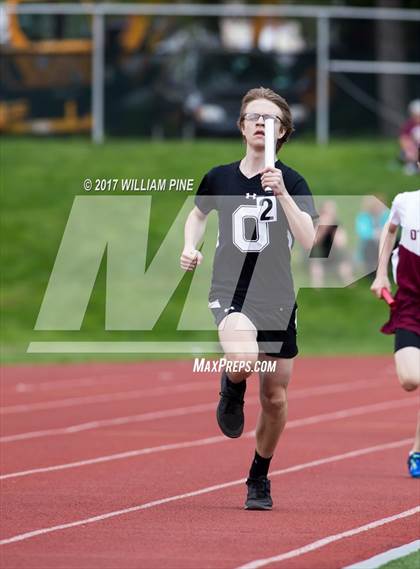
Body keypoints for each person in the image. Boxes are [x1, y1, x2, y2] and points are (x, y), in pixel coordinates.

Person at [180, 87, 318, 509]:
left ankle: (259, 476)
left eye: (271, 119)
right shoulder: (219, 176)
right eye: (255, 117)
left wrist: (283, 195)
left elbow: (311, 240)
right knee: (241, 359)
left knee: (275, 398)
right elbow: (198, 213)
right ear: (242, 126)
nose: (262, 124)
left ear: (283, 132)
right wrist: (190, 245)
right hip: (231, 292)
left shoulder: (291, 181)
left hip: (277, 298)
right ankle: (232, 386)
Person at [370, 147, 420, 478]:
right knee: (410, 379)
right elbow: (389, 233)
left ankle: (417, 449)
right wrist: (380, 274)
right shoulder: (406, 201)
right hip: (411, 306)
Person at [399, 99, 420, 176]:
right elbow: (404, 139)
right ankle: (411, 166)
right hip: (413, 148)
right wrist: (410, 148)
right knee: (408, 153)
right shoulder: (408, 125)